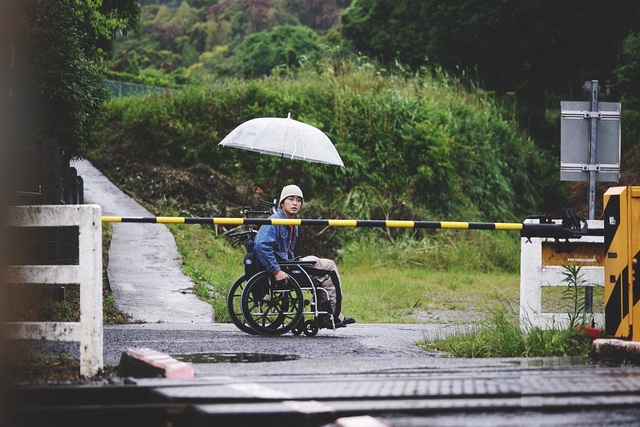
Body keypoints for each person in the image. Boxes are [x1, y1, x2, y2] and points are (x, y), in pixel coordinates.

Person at [253, 184, 356, 328]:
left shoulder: (293, 224)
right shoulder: (275, 220)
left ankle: (326, 313)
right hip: (282, 267)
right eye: (291, 199)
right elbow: (261, 245)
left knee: (321, 263)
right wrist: (276, 271)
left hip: (287, 263)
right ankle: (333, 315)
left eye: (298, 200)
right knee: (329, 268)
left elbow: (287, 251)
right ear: (282, 203)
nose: (295, 203)